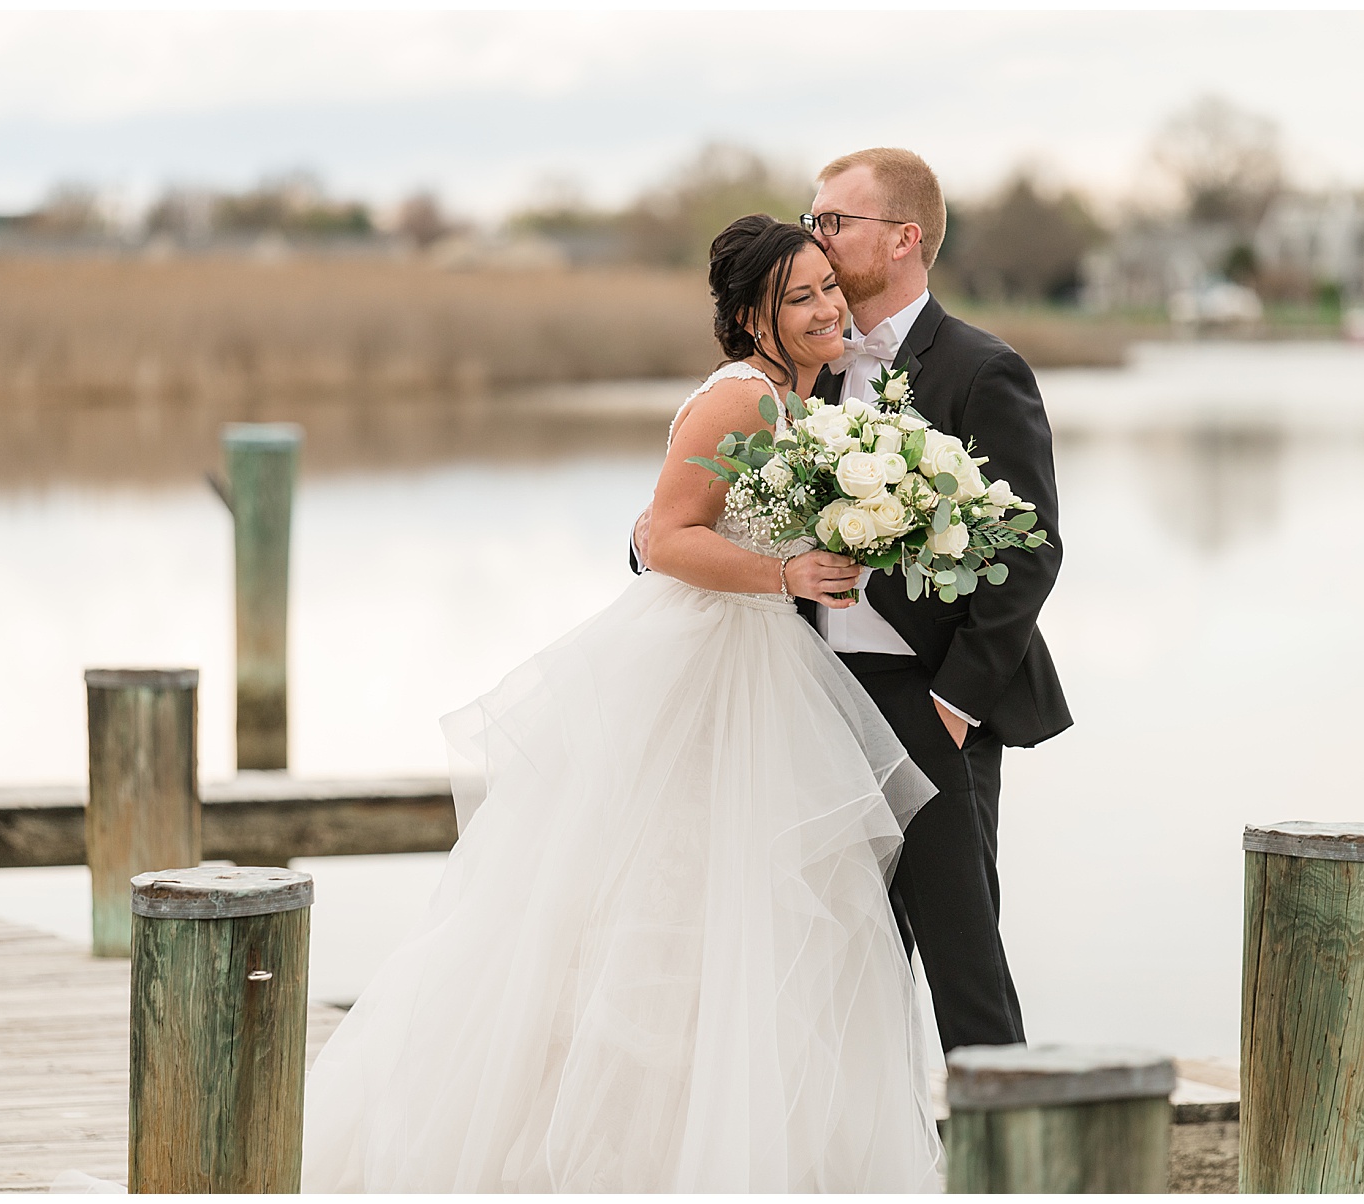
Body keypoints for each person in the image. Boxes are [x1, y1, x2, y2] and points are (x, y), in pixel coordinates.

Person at [300, 215, 944, 1192]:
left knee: (758, 901)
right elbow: (665, 536)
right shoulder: (737, 401)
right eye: (798, 297)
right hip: (701, 663)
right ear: (746, 318)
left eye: (827, 287)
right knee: (663, 894)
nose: (825, 308)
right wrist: (788, 573)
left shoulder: (804, 398)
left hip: (763, 663)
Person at [637, 148, 1069, 1055]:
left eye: (836, 220)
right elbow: (695, 506)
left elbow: (1029, 553)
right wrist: (661, 546)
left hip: (929, 697)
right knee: (828, 953)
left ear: (904, 238)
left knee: (963, 956)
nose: (818, 236)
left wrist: (955, 704)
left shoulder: (983, 370)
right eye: (815, 217)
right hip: (802, 696)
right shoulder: (799, 366)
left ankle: (1009, 1174)